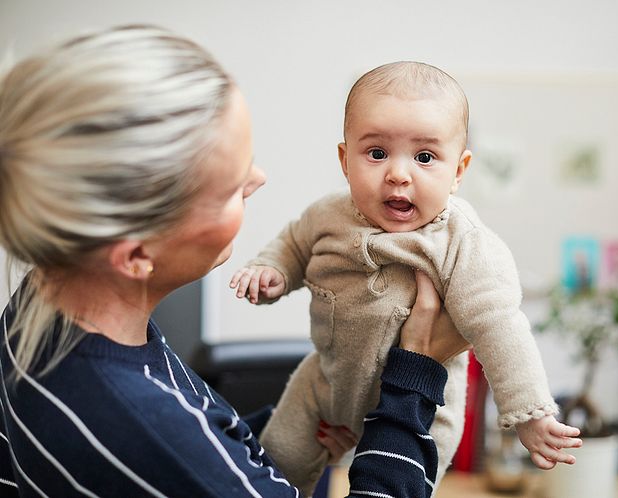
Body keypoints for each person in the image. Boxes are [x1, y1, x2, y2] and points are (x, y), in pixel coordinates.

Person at [0, 25, 472, 498]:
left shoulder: (38, 307)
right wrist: (417, 371)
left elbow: (172, 464)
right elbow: (178, 459)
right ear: (138, 254)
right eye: (231, 187)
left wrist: (286, 431)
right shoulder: (148, 425)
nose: (257, 178)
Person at [230, 61, 583, 494]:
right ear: (345, 160)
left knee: (403, 479)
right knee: (271, 467)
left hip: (421, 407)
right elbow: (293, 245)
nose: (398, 174)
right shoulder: (327, 215)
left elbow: (500, 327)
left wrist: (529, 413)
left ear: (458, 171)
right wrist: (272, 272)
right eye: (376, 153)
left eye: (424, 157)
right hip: (324, 386)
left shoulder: (461, 242)